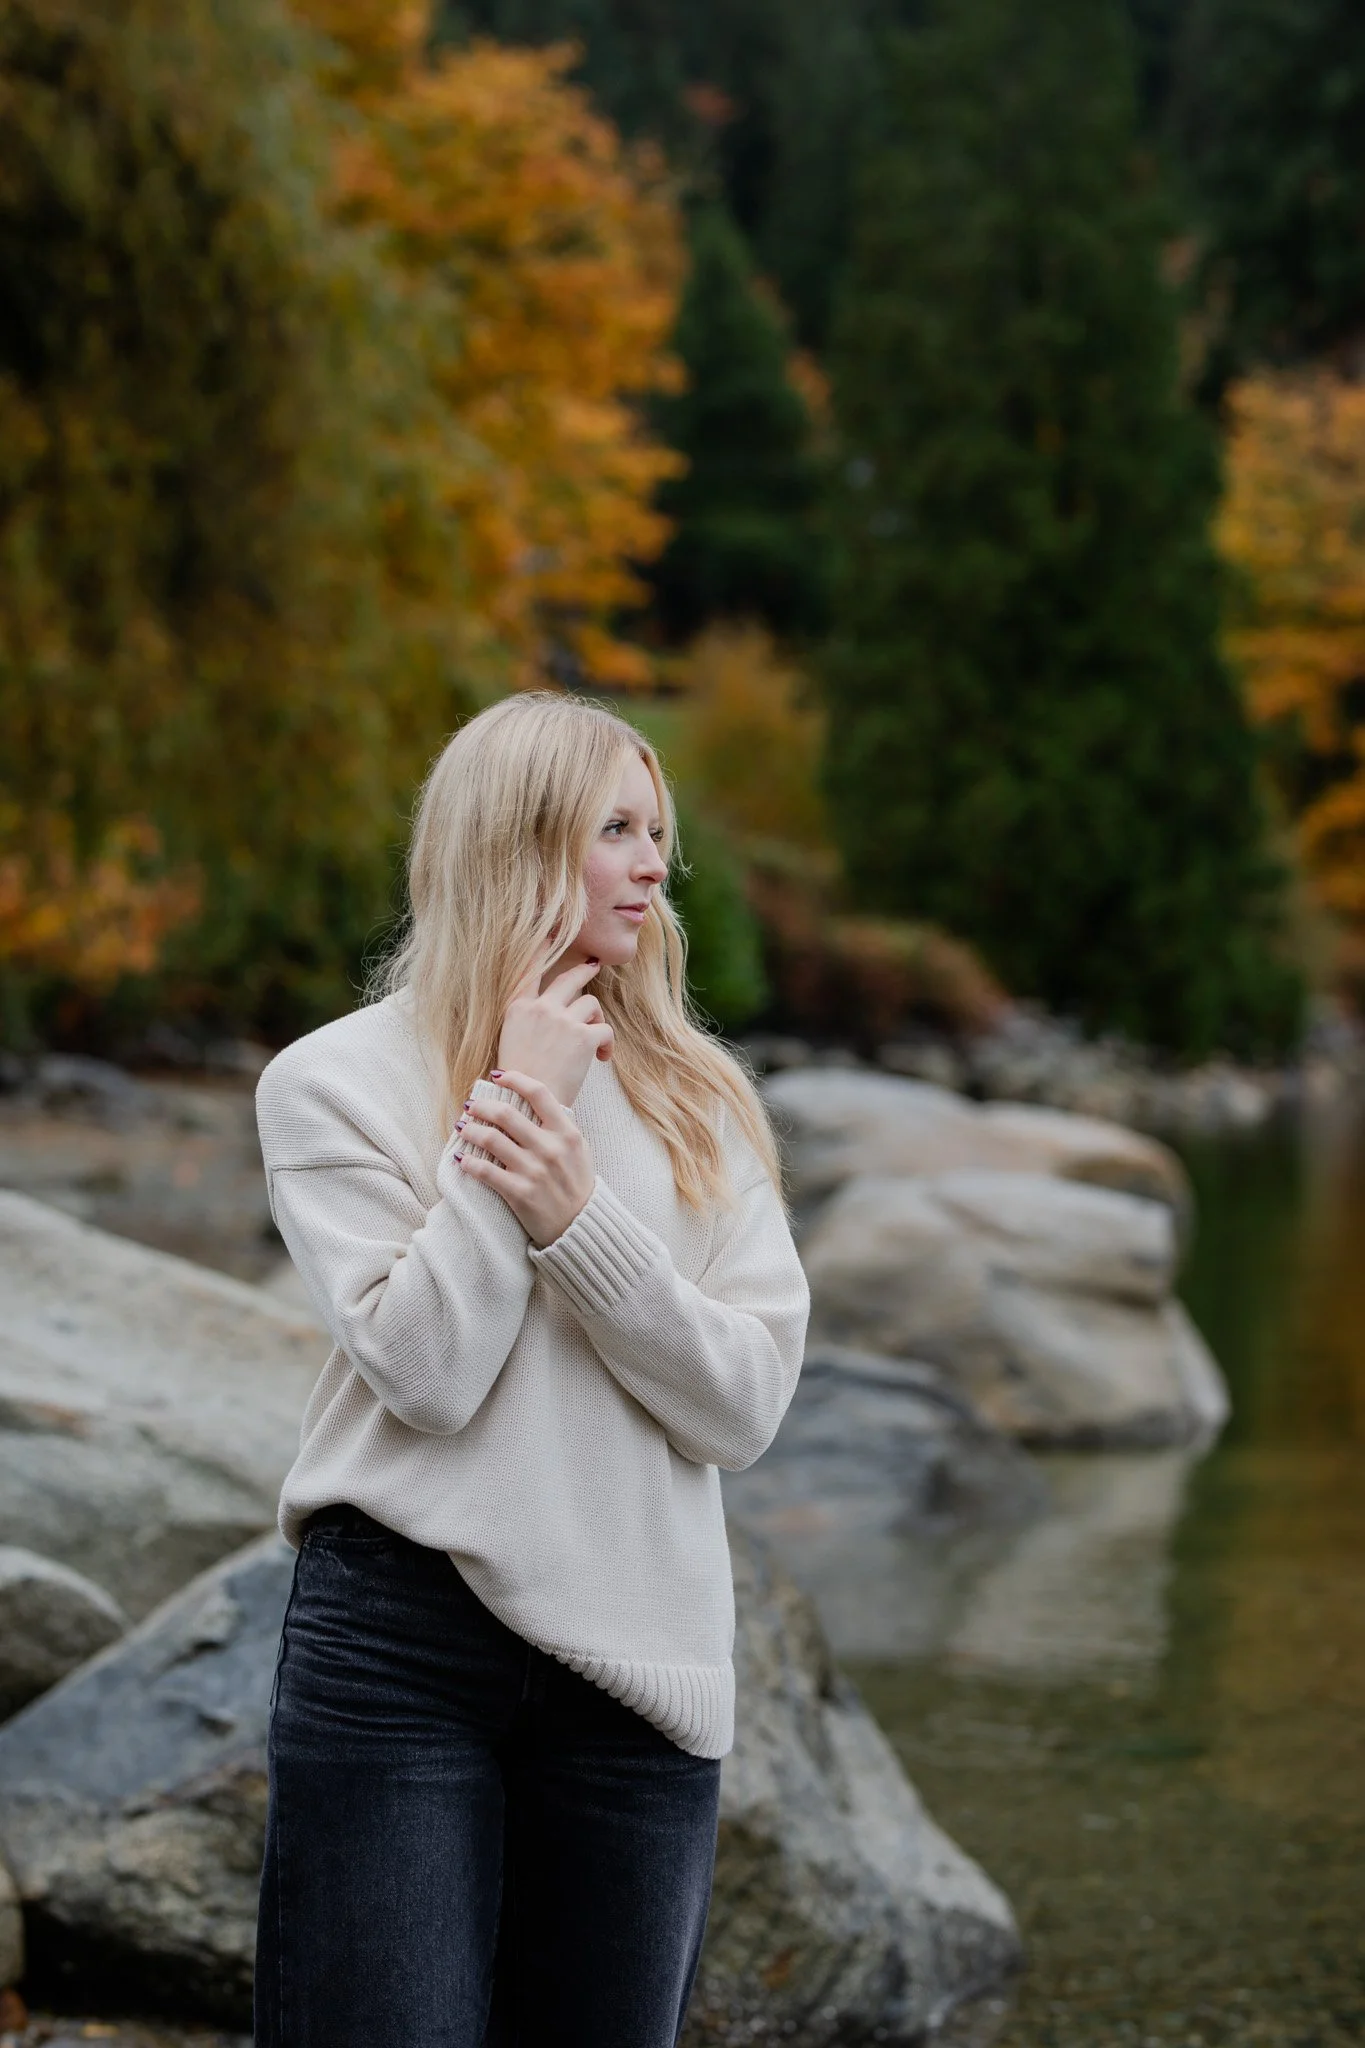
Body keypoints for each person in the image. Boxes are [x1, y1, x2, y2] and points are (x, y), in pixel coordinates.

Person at [251, 691, 810, 2048]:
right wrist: (523, 1118)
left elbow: (741, 1404)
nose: (653, 864)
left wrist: (579, 1223)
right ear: (518, 840)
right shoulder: (332, 1086)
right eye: (618, 828)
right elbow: (428, 1373)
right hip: (400, 1646)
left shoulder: (701, 1099)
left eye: (657, 832)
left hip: (639, 1658)